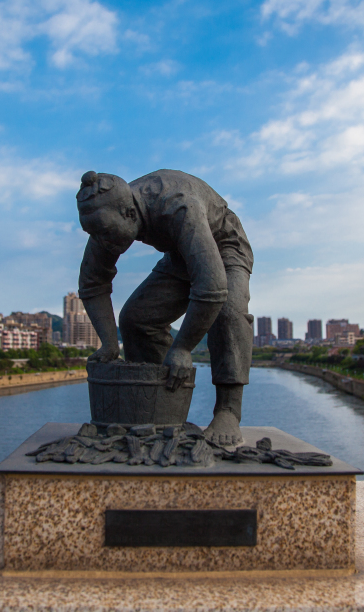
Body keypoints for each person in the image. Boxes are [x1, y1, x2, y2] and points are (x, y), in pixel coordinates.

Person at [76, 169, 254, 446]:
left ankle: (228, 410)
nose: (103, 243)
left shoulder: (177, 204)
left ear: (130, 214)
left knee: (228, 309)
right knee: (136, 319)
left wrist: (182, 348)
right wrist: (109, 344)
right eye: (94, 235)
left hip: (224, 245)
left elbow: (212, 287)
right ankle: (161, 407)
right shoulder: (104, 217)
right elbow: (92, 284)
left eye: (107, 234)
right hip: (179, 255)